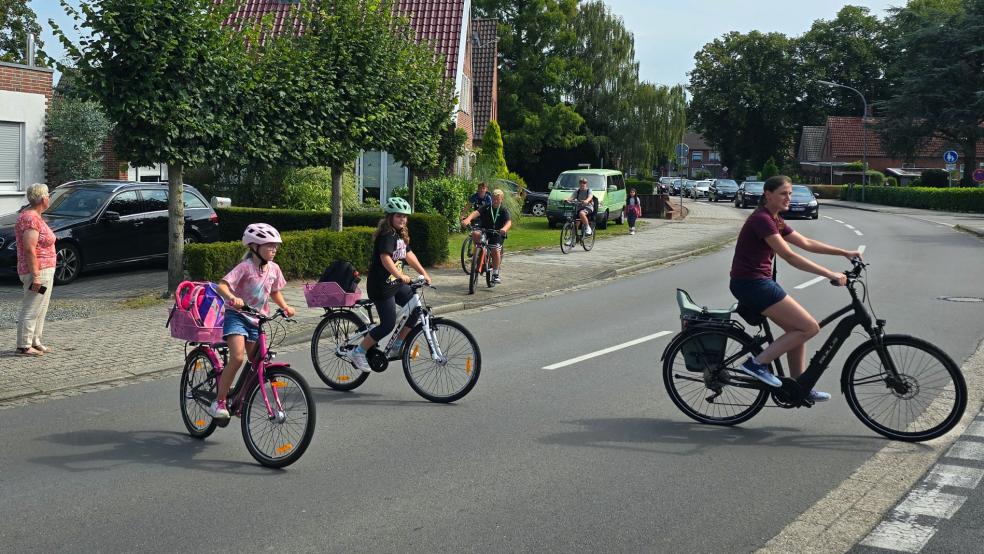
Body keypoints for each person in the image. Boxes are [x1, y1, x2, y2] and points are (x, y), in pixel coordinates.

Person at [729, 175, 862, 402]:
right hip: (752, 284)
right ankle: (756, 364)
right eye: (783, 193)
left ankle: (800, 386)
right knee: (809, 327)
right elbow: (790, 256)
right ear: (768, 194)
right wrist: (830, 274)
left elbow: (807, 243)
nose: (788, 198)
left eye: (790, 193)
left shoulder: (775, 219)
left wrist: (844, 252)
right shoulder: (762, 219)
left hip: (758, 282)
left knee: (798, 330)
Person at [211, 223, 296, 419]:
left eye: (276, 246)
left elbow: (275, 291)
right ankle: (220, 401)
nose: (274, 250)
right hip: (237, 317)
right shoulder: (245, 267)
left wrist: (285, 307)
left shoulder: (274, 269)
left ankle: (241, 399)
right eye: (269, 246)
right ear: (254, 247)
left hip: (258, 320)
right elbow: (221, 286)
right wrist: (232, 298)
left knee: (258, 361)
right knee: (238, 357)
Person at [351, 197, 432, 372]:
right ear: (390, 217)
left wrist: (424, 273)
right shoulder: (387, 235)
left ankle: (398, 345)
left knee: (416, 310)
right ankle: (359, 351)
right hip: (381, 287)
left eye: (405, 216)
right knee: (387, 324)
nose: (402, 219)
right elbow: (385, 257)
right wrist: (400, 275)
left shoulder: (400, 235)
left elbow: (409, 256)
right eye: (398, 216)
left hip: (395, 284)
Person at [14, 183, 56, 357]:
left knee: (41, 306)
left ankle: (35, 341)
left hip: (45, 271)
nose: (49, 199)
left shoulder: (35, 217)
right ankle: (23, 346)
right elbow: (30, 248)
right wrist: (37, 276)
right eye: (48, 195)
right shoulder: (30, 218)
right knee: (32, 307)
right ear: (43, 199)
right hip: (37, 272)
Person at [461, 188, 513, 283]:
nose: (495, 201)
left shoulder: (503, 210)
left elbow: (508, 222)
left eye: (498, 199)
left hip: (497, 233)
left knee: (495, 250)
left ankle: (495, 274)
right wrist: (468, 219)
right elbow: (476, 213)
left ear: (502, 199)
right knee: (475, 233)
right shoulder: (487, 207)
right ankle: (477, 253)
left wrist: (504, 229)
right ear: (491, 198)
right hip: (485, 230)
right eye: (494, 199)